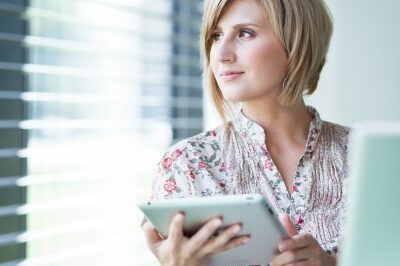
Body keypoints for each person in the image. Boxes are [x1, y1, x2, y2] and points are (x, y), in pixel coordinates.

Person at [142, 0, 349, 265]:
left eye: (245, 33)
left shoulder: (373, 160)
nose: (221, 53)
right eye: (216, 35)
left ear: (297, 41)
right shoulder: (185, 165)